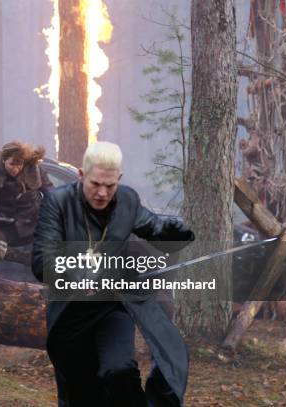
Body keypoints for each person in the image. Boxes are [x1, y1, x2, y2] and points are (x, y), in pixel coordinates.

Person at [32, 141, 195, 406]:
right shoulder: (57, 202)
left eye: (110, 185)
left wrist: (176, 233)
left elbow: (152, 226)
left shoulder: (127, 200)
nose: (102, 193)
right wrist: (76, 277)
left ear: (118, 179)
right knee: (81, 391)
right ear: (81, 176)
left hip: (112, 306)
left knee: (120, 371)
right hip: (69, 312)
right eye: (95, 184)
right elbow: (42, 260)